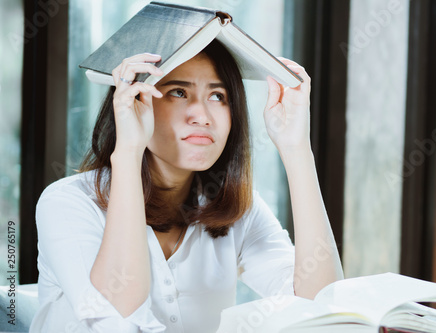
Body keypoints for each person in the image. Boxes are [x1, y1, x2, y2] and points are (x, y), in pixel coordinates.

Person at [29, 40, 343, 333]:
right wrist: (128, 151)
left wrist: (296, 148)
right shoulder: (67, 203)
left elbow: (321, 304)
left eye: (218, 96)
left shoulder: (238, 210)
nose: (203, 116)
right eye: (179, 92)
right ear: (137, 99)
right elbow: (116, 316)